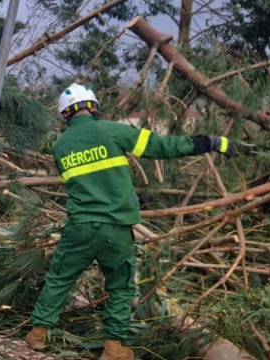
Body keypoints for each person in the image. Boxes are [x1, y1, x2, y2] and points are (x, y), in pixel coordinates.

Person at [25, 83, 234, 360]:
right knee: (121, 289)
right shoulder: (113, 130)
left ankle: (38, 334)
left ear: (65, 114)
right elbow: (161, 147)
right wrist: (210, 143)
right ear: (93, 106)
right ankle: (114, 348)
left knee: (60, 278)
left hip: (81, 227)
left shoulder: (60, 145)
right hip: (116, 229)